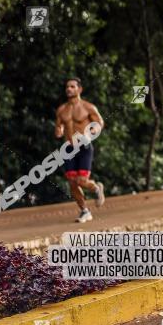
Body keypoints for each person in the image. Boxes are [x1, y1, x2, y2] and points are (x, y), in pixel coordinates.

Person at [55, 78, 105, 222]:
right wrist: (59, 131)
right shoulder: (61, 110)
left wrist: (94, 130)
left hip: (84, 146)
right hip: (69, 148)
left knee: (82, 181)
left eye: (72, 86)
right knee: (72, 182)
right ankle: (85, 211)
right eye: (67, 87)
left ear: (79, 89)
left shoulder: (88, 107)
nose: (69, 89)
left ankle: (96, 188)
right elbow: (59, 126)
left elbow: (100, 122)